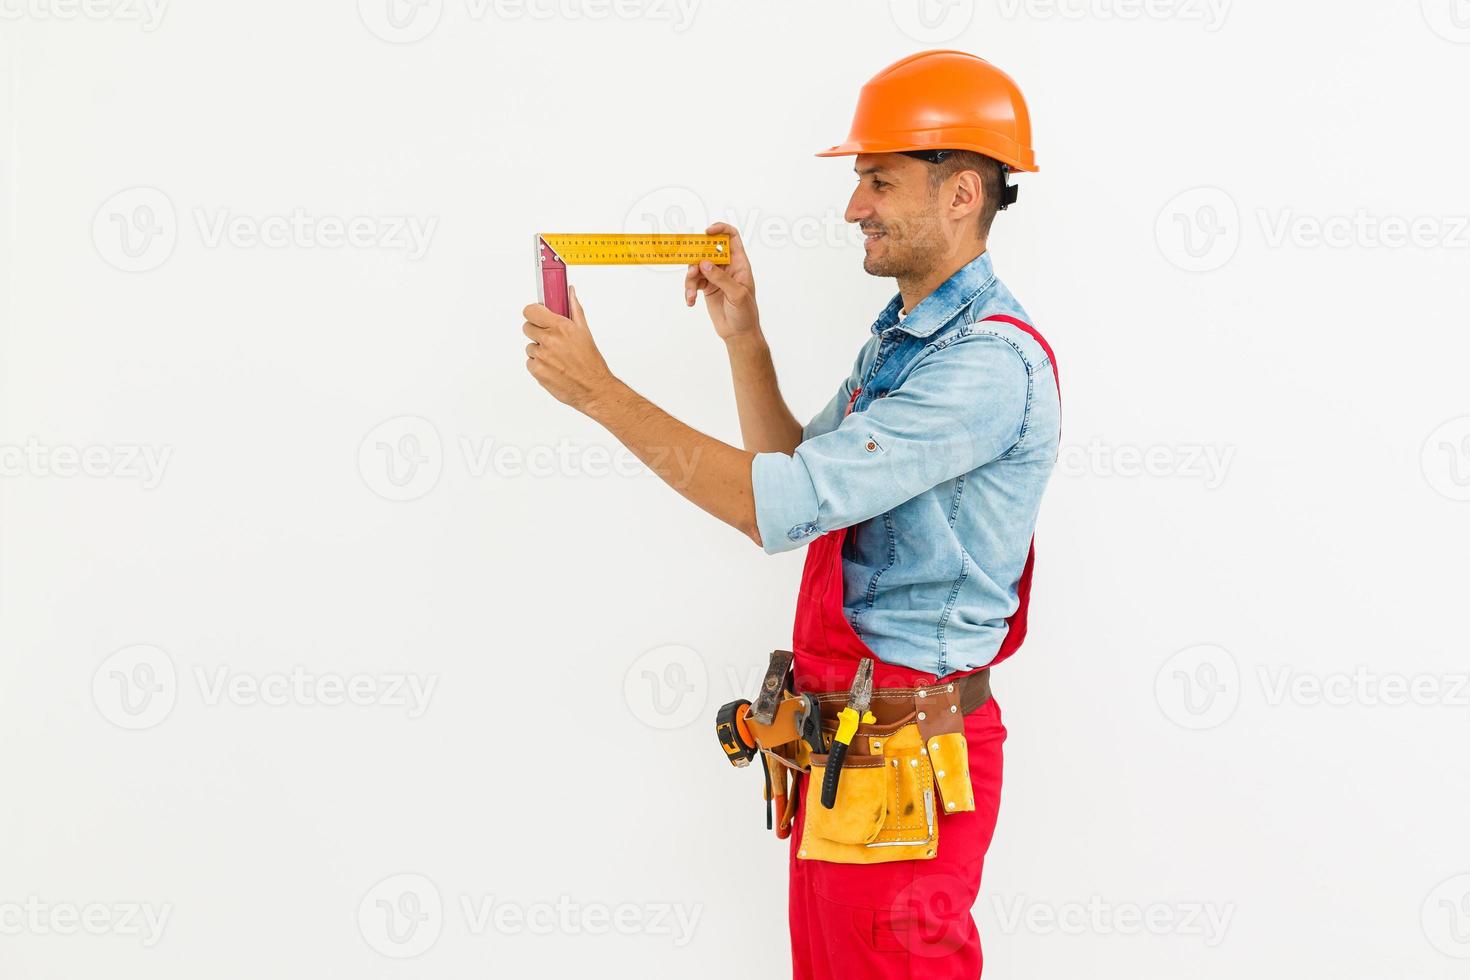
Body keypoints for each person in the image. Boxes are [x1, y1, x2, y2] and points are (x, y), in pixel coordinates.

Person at [523, 49, 1059, 978]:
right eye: (859, 181)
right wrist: (744, 336)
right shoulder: (904, 342)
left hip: (912, 769)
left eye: (879, 180)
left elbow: (777, 508)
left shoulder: (986, 367)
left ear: (962, 192)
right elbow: (800, 479)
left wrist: (603, 395)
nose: (855, 207)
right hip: (849, 756)